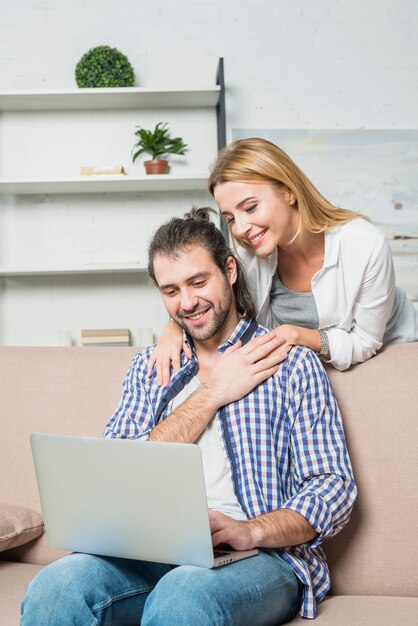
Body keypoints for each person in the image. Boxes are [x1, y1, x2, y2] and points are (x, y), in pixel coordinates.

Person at [21, 208, 356, 625]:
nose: (188, 302)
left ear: (229, 270)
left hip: (262, 557)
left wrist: (250, 530)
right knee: (56, 588)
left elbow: (333, 486)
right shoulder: (152, 367)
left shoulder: (290, 364)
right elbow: (119, 470)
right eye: (171, 290)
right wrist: (212, 394)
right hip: (147, 552)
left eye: (199, 282)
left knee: (184, 595)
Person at [150, 138, 418, 382]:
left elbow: (366, 341)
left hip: (391, 355)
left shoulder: (364, 244)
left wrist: (300, 336)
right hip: (315, 372)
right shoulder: (248, 257)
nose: (241, 228)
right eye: (231, 218)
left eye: (251, 207)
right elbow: (212, 303)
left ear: (288, 192)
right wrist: (174, 328)